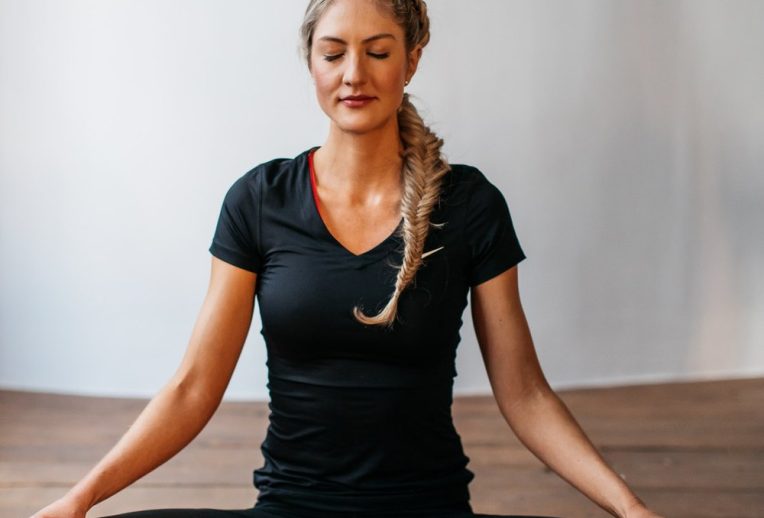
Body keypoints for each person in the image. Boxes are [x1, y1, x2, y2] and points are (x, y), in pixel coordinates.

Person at [31, 1, 665, 517]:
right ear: (311, 62)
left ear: (412, 59)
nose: (353, 74)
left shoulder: (470, 204)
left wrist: (631, 509)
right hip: (290, 508)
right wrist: (80, 499)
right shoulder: (260, 200)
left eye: (378, 51)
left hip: (425, 509)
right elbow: (195, 387)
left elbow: (525, 394)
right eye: (333, 53)